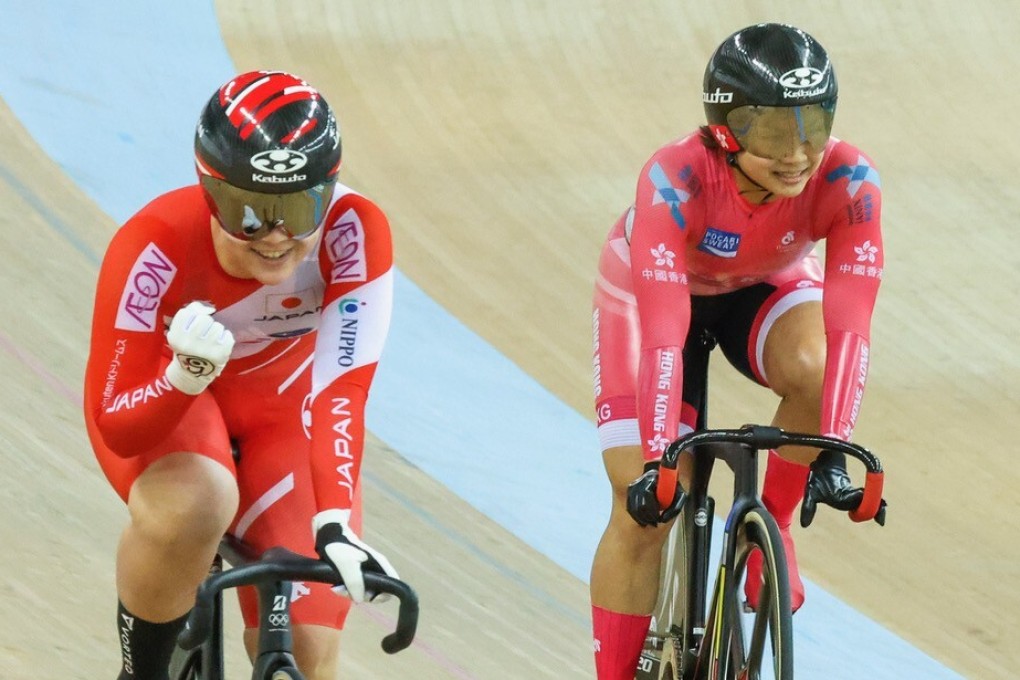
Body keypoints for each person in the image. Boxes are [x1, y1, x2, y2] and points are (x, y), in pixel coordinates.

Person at [589, 23, 886, 678]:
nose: (798, 154)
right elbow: (664, 331)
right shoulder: (675, 177)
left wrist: (833, 448)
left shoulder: (850, 178)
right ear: (726, 129)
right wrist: (659, 461)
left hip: (763, 283)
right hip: (651, 297)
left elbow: (850, 326)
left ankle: (772, 523)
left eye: (814, 125)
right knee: (643, 513)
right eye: (777, 132)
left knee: (814, 368)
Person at [84, 70, 399, 680]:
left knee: (307, 649)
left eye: (298, 210)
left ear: (329, 193)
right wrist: (182, 380)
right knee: (198, 503)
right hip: (173, 401)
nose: (276, 237)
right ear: (209, 193)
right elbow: (117, 425)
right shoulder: (154, 243)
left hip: (282, 410)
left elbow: (341, 388)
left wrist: (334, 521)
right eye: (248, 213)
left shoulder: (354, 231)